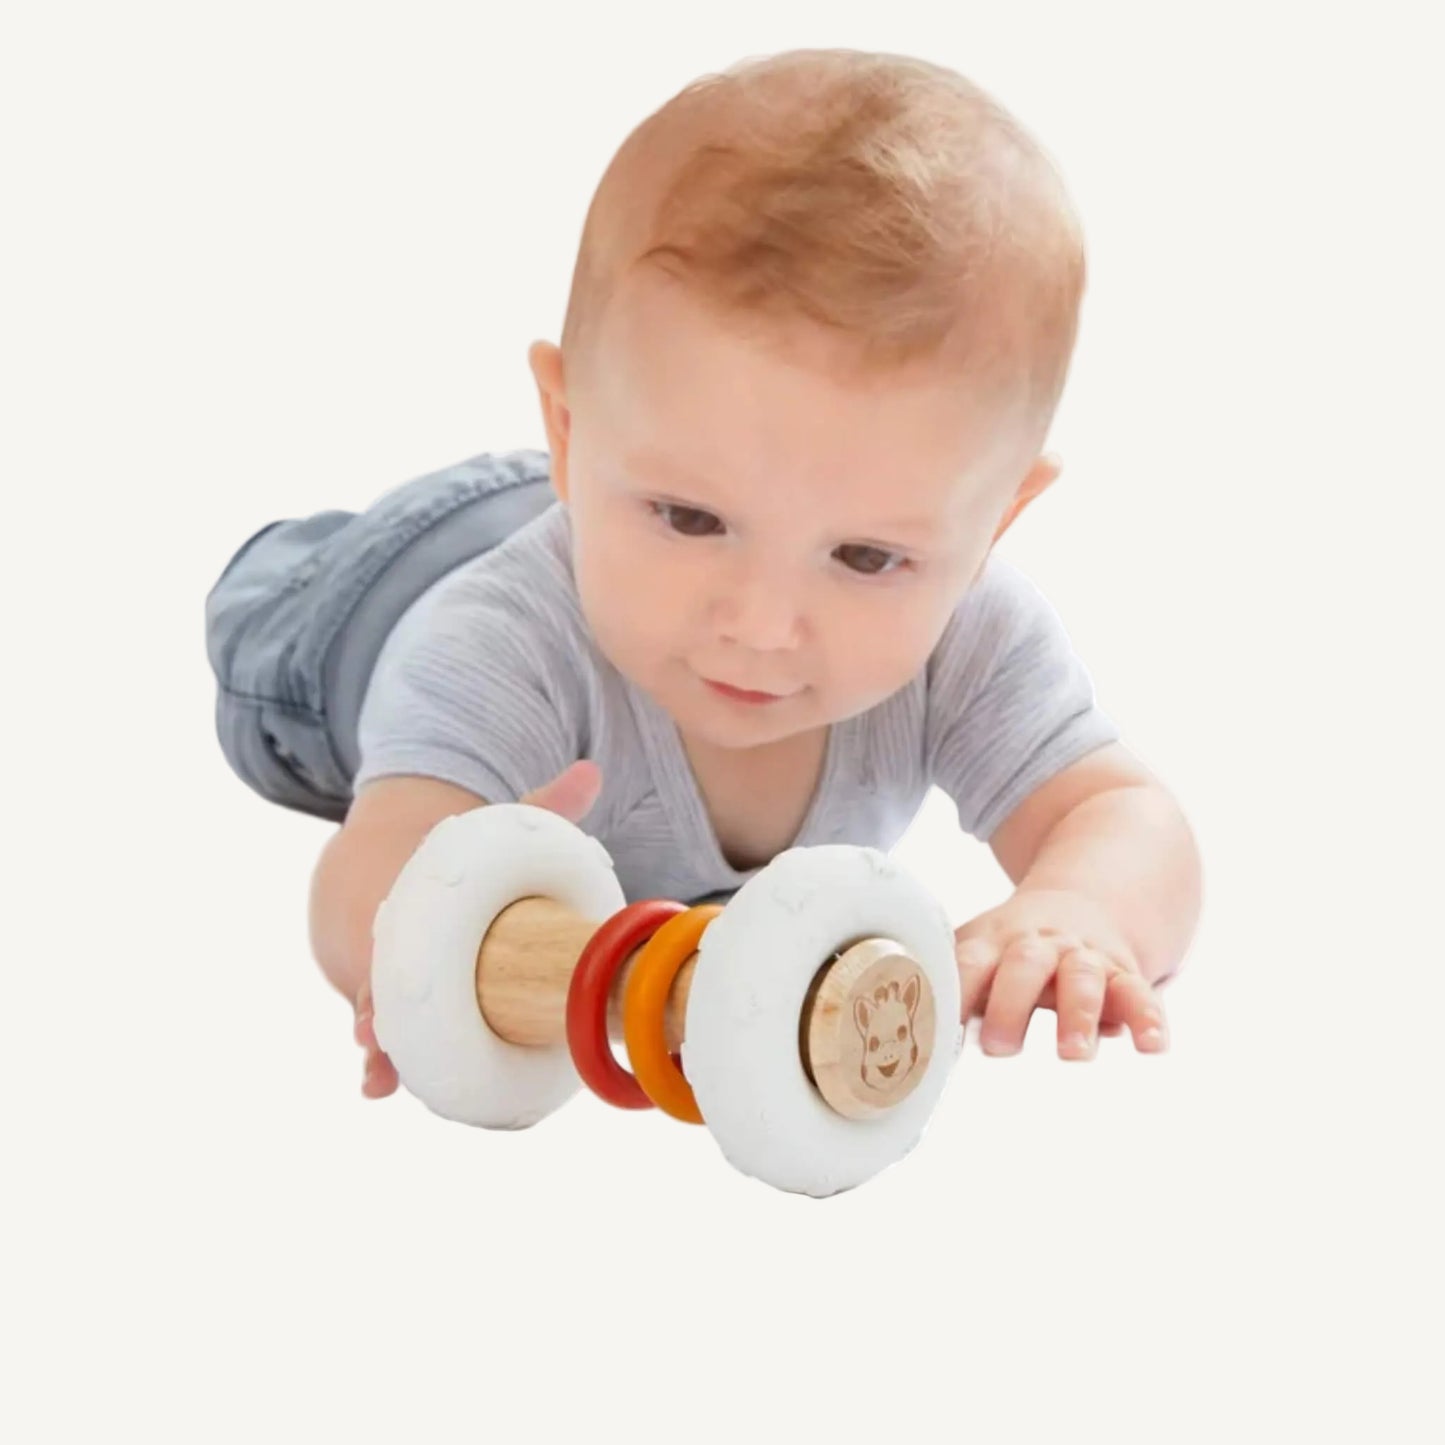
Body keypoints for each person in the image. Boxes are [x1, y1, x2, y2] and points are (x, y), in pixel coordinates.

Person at [204, 48, 1202, 1102]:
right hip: (368, 596)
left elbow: (1127, 814)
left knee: (672, 498)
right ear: (569, 430)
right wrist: (423, 923)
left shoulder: (966, 634)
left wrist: (1080, 908)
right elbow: (367, 876)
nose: (763, 626)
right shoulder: (494, 646)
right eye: (691, 518)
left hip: (595, 491)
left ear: (992, 523)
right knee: (277, 635)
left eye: (864, 556)